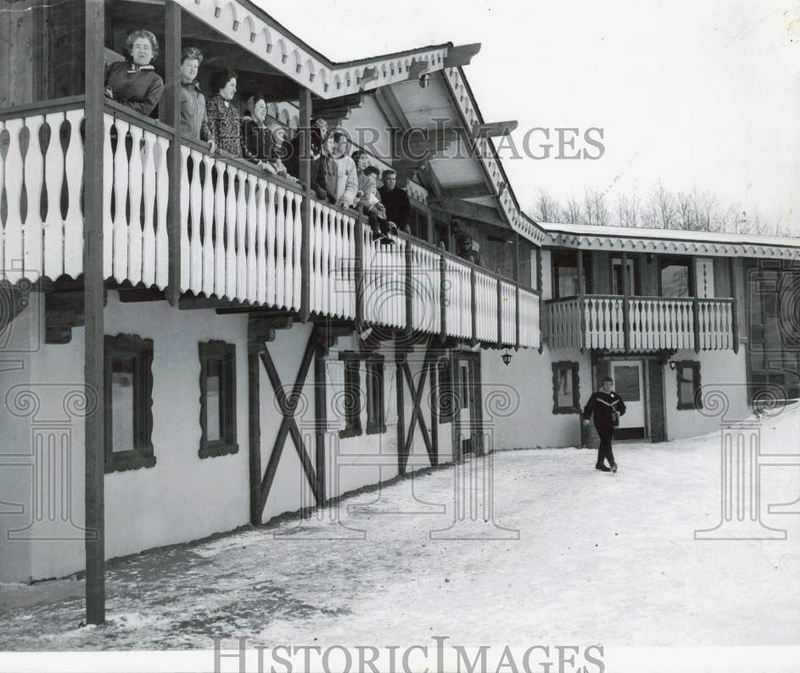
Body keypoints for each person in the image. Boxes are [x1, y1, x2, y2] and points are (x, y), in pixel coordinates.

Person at [105, 30, 164, 116]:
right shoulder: (115, 67)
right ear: (131, 51)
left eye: (146, 48)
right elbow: (98, 88)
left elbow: (145, 108)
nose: (141, 51)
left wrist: (115, 103)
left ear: (152, 53)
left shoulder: (156, 81)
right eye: (137, 47)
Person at [582, 376, 626, 473]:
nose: (608, 386)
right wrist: (586, 418)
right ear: (603, 384)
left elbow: (622, 408)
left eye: (610, 384)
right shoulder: (597, 395)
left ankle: (599, 463)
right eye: (606, 384)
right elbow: (589, 407)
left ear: (612, 385)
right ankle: (612, 463)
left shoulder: (615, 396)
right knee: (606, 440)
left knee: (605, 442)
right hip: (600, 422)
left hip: (612, 423)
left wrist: (619, 412)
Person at [178, 47, 214, 153]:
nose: (193, 69)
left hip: (194, 151)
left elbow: (204, 125)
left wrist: (210, 139)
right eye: (189, 65)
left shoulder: (200, 96)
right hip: (178, 145)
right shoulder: (174, 89)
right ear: (180, 66)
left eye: (195, 66)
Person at [313, 130, 358, 209]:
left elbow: (352, 185)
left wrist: (346, 200)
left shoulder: (349, 162)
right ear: (335, 144)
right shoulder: (323, 157)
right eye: (344, 143)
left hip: (338, 208)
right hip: (319, 202)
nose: (346, 146)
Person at [206, 70, 240, 157]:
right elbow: (211, 130)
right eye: (232, 85)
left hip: (234, 163)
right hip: (218, 158)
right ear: (222, 84)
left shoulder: (234, 110)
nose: (235, 89)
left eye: (235, 86)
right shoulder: (213, 103)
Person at [378, 169, 411, 233]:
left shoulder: (401, 193)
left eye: (394, 179)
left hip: (398, 223)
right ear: (383, 180)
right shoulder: (379, 192)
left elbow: (407, 212)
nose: (392, 181)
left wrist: (397, 225)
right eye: (389, 179)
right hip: (383, 222)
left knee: (407, 229)